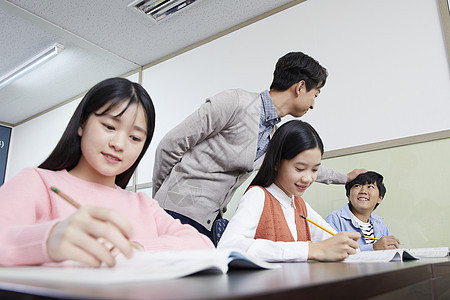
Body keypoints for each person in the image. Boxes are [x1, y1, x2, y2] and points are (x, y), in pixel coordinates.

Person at [152, 51, 366, 242]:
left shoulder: (274, 135)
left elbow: (302, 165)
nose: (313, 104)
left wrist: (345, 178)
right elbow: (169, 146)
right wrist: (160, 201)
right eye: (315, 95)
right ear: (300, 87)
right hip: (175, 213)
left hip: (209, 222)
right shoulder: (234, 102)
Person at [0, 78, 213, 267]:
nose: (119, 144)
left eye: (135, 138)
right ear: (82, 124)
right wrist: (46, 240)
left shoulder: (144, 204)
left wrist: (135, 249)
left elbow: (202, 245)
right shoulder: (38, 182)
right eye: (110, 127)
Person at [217, 120, 360, 261]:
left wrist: (346, 245)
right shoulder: (257, 195)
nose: (308, 178)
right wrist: (310, 249)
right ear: (277, 163)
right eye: (299, 169)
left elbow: (332, 240)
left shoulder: (300, 206)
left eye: (315, 170)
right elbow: (229, 246)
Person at [325, 171, 400, 251]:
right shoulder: (335, 219)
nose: (363, 191)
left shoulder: (380, 224)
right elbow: (329, 251)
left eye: (370, 187)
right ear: (348, 196)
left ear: (379, 198)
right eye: (357, 186)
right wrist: (373, 248)